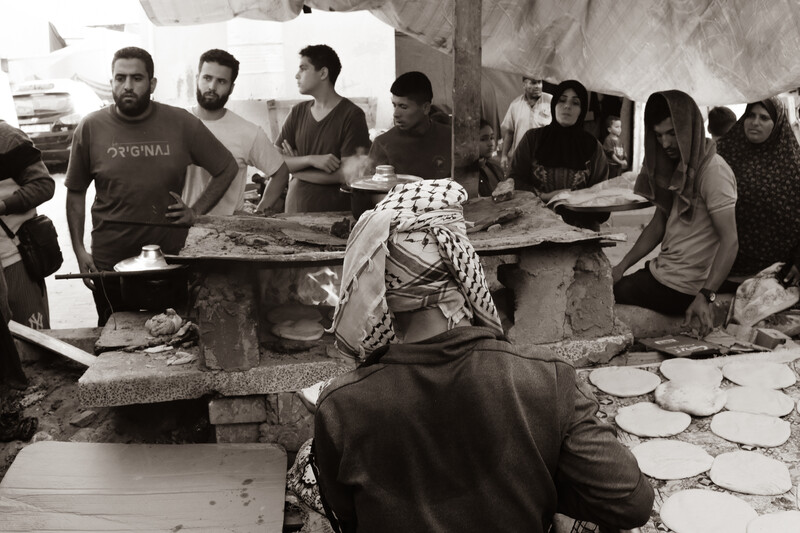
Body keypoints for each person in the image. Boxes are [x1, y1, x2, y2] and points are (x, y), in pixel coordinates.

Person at [313, 179, 654, 533]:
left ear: (386, 290)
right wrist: (544, 488)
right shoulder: (545, 381)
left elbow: (347, 516)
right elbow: (632, 503)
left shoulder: (341, 407)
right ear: (463, 270)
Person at [65, 47, 238, 326]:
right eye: (120, 78)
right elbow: (75, 193)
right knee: (115, 339)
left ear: (152, 84)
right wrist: (79, 249)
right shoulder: (90, 127)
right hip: (110, 264)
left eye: (137, 78)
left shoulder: (181, 122)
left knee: (174, 336)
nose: (128, 86)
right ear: (111, 82)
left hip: (170, 262)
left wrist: (196, 212)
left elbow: (227, 167)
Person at [613, 91, 738, 335]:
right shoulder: (679, 166)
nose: (666, 143)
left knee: (600, 297)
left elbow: (730, 241)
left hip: (683, 288)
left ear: (691, 128)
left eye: (672, 133)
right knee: (609, 283)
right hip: (663, 272)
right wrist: (621, 266)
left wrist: (706, 295)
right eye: (659, 135)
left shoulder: (714, 172)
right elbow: (659, 223)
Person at [182, 49, 290, 215]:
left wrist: (259, 213)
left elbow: (281, 172)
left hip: (226, 234)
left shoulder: (247, 132)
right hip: (178, 230)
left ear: (231, 88)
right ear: (197, 79)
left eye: (221, 81)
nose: (212, 87)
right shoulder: (176, 122)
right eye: (207, 78)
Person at [716, 96, 800, 286]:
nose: (755, 123)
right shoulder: (724, 154)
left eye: (764, 118)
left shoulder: (793, 166)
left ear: (777, 123)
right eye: (751, 115)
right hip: (721, 264)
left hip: (774, 272)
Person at [278, 45, 371, 213]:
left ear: (323, 73)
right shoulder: (297, 112)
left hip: (333, 215)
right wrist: (310, 160)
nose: (296, 75)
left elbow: (348, 175)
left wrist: (296, 169)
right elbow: (273, 161)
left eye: (303, 68)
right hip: (294, 210)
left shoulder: (352, 116)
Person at [507, 79, 610, 229]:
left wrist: (581, 201)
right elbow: (513, 180)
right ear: (554, 104)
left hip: (581, 232)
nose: (567, 106)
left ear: (582, 110)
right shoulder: (533, 139)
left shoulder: (593, 147)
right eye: (562, 100)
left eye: (575, 103)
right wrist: (544, 197)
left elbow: (602, 195)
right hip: (533, 229)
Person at [0, 120, 55, 330]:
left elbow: (43, 185)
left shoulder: (7, 138)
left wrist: (4, 205)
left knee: (34, 343)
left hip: (14, 258)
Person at [368, 71, 452, 180]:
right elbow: (368, 191)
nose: (396, 114)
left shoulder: (450, 138)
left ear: (426, 108)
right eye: (394, 105)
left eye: (403, 107)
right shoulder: (383, 145)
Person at [499, 76, 552, 172]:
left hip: (545, 158)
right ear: (524, 85)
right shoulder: (515, 105)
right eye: (533, 83)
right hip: (521, 158)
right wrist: (504, 155)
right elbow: (510, 132)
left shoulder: (551, 101)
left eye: (539, 82)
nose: (537, 86)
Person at [476, 118, 504, 196]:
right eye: (483, 139)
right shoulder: (466, 175)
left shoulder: (495, 166)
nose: (491, 143)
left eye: (492, 138)